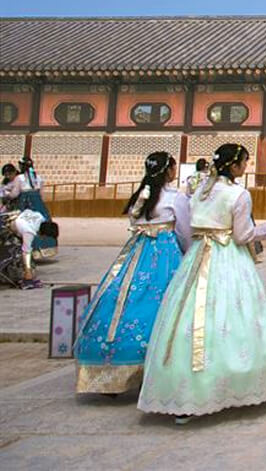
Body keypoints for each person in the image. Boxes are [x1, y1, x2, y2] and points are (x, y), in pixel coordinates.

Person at [138, 143, 266, 422]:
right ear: (236, 166)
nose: (246, 167)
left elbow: (190, 229)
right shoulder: (238, 194)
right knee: (233, 318)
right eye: (245, 163)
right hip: (228, 258)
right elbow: (242, 235)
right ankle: (232, 386)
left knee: (186, 316)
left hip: (198, 256)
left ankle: (184, 389)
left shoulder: (199, 191)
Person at [75, 152, 190, 395]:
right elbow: (184, 231)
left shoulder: (141, 195)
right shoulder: (174, 197)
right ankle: (157, 364)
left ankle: (112, 369)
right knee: (164, 301)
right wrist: (188, 254)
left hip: (137, 253)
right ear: (168, 171)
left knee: (123, 296)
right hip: (164, 253)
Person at [1, 163, 57, 287]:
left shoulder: (40, 218)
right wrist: (28, 273)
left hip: (20, 212)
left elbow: (25, 209)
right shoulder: (30, 232)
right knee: (21, 250)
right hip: (11, 224)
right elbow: (26, 252)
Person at [13, 157, 56, 260]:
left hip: (25, 203)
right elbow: (41, 194)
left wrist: (7, 195)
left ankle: (30, 250)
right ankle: (45, 249)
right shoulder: (39, 178)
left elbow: (15, 193)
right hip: (38, 204)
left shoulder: (20, 178)